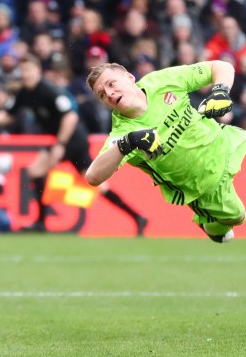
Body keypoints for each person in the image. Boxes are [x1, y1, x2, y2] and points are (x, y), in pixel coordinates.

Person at [86, 60, 246, 244]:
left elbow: (221, 67)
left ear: (130, 77)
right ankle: (211, 226)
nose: (109, 94)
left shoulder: (161, 80)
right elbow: (93, 177)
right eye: (102, 95)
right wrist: (127, 143)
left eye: (111, 84)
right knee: (238, 217)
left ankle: (238, 142)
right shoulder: (123, 133)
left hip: (222, 140)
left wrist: (220, 91)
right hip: (203, 186)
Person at [8, 56, 147, 235]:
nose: (25, 74)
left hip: (72, 140)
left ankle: (41, 222)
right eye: (22, 71)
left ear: (38, 70)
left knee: (35, 171)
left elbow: (71, 117)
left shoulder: (48, 90)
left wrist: (60, 144)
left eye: (28, 70)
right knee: (99, 186)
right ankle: (137, 217)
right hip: (67, 141)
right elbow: (8, 114)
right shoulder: (24, 93)